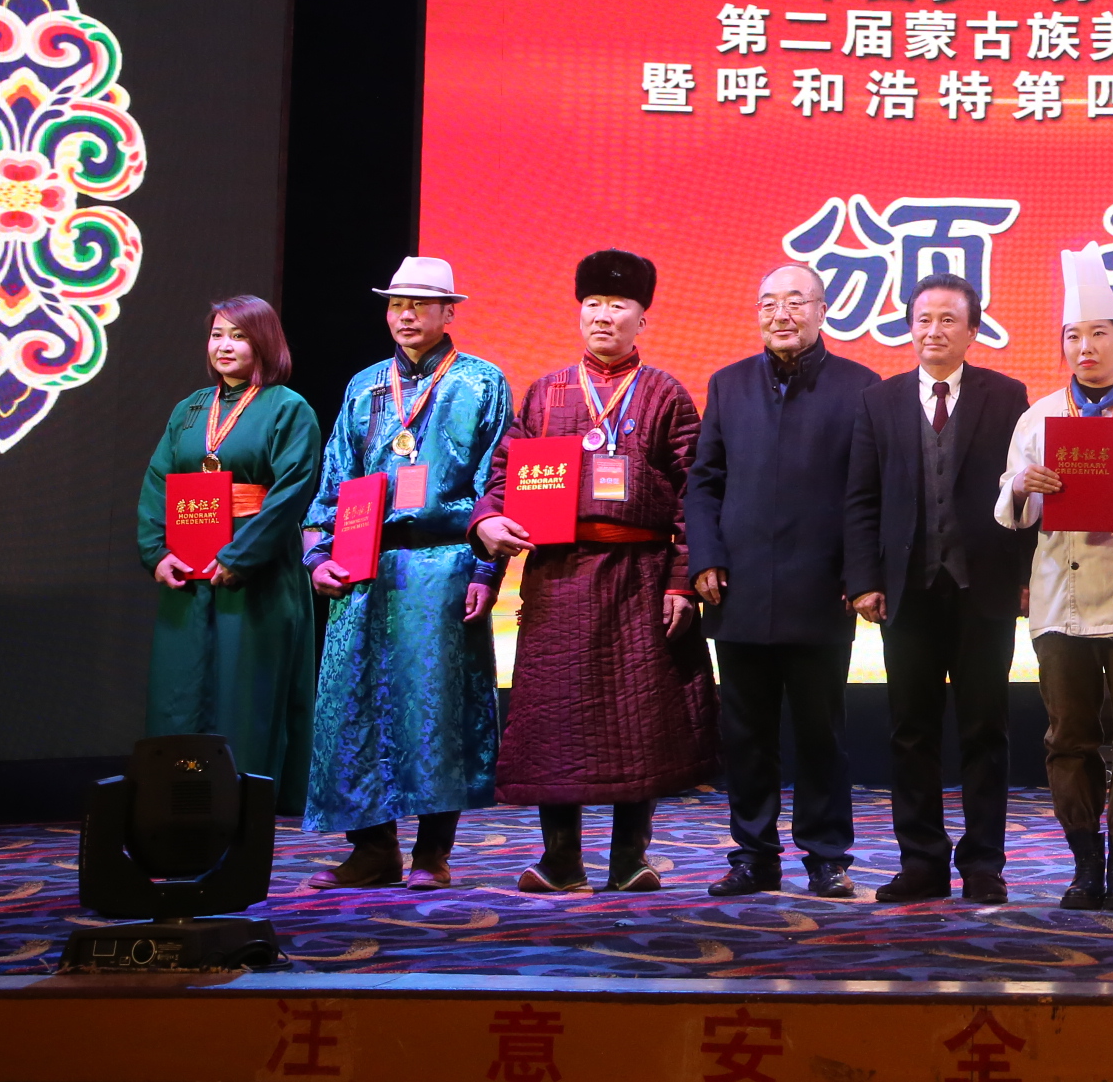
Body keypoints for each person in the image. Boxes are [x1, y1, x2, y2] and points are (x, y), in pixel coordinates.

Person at [474, 249, 718, 893]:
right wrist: (487, 521)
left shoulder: (665, 393)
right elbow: (504, 474)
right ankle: (561, 861)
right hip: (558, 577)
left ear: (643, 318)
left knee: (640, 719)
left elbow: (695, 493)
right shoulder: (545, 392)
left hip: (641, 577)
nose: (603, 316)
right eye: (593, 305)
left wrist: (680, 579)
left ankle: (629, 860)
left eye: (618, 305)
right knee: (556, 719)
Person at [300, 258, 511, 889]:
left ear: (450, 312)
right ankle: (372, 849)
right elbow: (336, 476)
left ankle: (432, 852)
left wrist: (485, 572)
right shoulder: (365, 385)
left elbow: (494, 484)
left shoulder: (481, 382)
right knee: (355, 703)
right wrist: (318, 555)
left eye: (420, 304)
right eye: (397, 304)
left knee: (436, 705)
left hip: (442, 560)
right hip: (364, 561)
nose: (407, 316)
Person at [685, 262, 881, 898]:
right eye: (769, 302)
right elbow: (704, 482)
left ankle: (826, 856)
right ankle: (753, 854)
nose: (781, 314)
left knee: (821, 733)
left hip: (821, 588)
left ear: (823, 312)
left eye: (796, 301)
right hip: (737, 587)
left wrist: (859, 574)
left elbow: (868, 492)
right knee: (746, 733)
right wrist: (704, 557)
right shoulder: (728, 383)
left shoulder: (860, 387)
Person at [842, 272, 1035, 904]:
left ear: (973, 331)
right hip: (908, 591)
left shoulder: (1006, 396)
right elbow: (861, 499)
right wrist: (863, 581)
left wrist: (1026, 577)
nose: (934, 331)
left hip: (985, 589)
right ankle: (921, 861)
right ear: (909, 328)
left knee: (986, 730)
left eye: (949, 319)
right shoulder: (878, 401)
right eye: (923, 319)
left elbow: (1025, 491)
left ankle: (984, 864)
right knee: (911, 731)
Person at [999, 245, 1113, 910]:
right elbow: (1009, 504)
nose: (1086, 347)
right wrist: (1026, 483)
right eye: (1073, 336)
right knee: (1068, 738)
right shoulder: (1039, 415)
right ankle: (1083, 863)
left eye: (1098, 334)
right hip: (1060, 599)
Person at [136, 296, 322, 812]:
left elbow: (293, 490)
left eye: (238, 336)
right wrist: (156, 553)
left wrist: (241, 556)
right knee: (181, 687)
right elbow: (158, 480)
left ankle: (243, 804)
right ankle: (175, 801)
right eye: (217, 334)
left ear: (263, 343)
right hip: (188, 566)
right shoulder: (190, 408)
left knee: (245, 690)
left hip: (255, 571)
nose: (224, 346)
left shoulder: (287, 408)